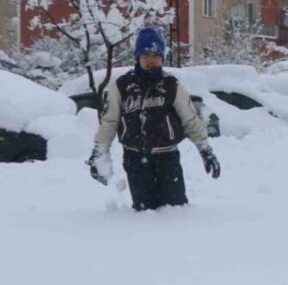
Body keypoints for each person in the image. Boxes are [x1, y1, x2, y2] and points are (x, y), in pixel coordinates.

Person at [87, 28, 221, 211]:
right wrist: (99, 152)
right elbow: (109, 122)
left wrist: (205, 150)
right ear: (138, 57)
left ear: (162, 58)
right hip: (135, 159)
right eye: (146, 54)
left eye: (156, 55)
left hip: (168, 159)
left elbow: (190, 120)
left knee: (176, 211)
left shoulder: (171, 85)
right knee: (145, 214)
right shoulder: (121, 86)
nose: (151, 60)